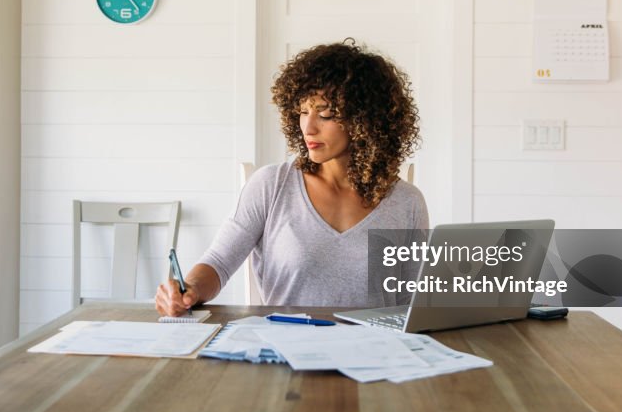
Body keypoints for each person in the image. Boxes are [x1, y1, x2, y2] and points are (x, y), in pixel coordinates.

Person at [155, 40, 428, 316]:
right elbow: (218, 262)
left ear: (366, 121)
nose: (308, 127)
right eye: (302, 112)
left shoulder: (406, 202)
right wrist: (189, 289)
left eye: (326, 114)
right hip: (285, 349)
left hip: (375, 352)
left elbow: (413, 303)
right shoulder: (271, 185)